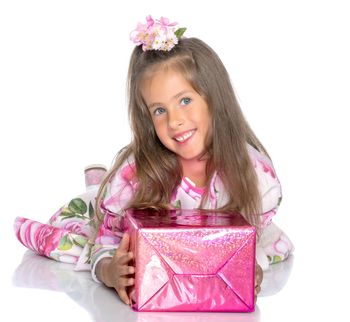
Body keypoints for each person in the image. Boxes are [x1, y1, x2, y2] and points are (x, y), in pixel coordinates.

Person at [14, 15, 294, 306]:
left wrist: (252, 268)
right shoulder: (134, 175)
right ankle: (98, 185)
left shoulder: (255, 175)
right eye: (159, 111)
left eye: (185, 101)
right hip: (121, 206)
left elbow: (250, 243)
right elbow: (107, 238)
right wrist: (109, 270)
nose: (175, 121)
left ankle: (99, 180)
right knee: (92, 210)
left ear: (215, 99)